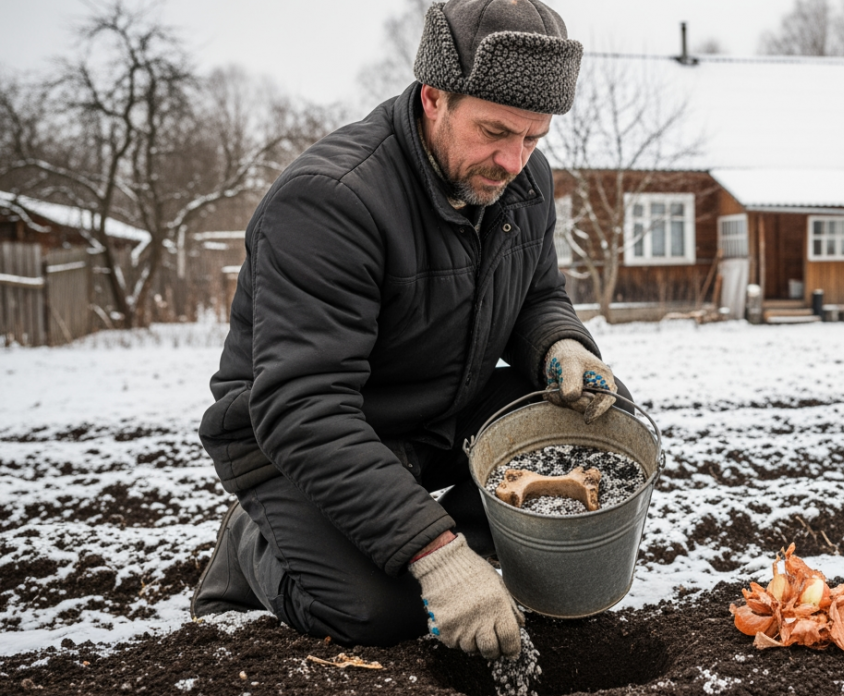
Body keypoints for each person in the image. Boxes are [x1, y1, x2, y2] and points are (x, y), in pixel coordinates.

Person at [190, 0, 627, 660]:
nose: (513, 160)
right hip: (306, 439)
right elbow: (302, 409)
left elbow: (537, 293)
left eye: (533, 138)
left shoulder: (521, 179)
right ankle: (255, 541)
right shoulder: (331, 201)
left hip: (441, 414)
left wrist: (559, 343)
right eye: (494, 132)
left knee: (595, 426)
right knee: (386, 609)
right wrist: (437, 555)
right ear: (433, 98)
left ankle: (425, 543)